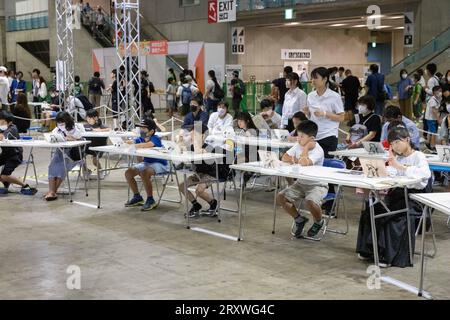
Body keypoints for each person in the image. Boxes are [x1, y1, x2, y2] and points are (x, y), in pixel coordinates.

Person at [356, 126, 431, 268]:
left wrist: (400, 167)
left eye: (397, 142)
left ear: (407, 140)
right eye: (392, 144)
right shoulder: (396, 157)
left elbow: (424, 175)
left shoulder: (418, 156)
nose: (394, 146)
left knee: (393, 216)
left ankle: (388, 255)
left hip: (413, 199)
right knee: (372, 211)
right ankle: (369, 250)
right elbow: (391, 172)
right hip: (396, 195)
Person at [277, 120, 328, 238]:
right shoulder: (298, 145)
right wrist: (295, 159)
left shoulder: (318, 150)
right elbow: (284, 157)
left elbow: (305, 162)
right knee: (281, 197)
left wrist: (306, 149)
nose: (298, 139)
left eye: (301, 136)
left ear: (311, 138)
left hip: (318, 184)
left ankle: (319, 221)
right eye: (298, 135)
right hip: (301, 183)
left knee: (310, 201)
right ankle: (299, 219)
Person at [178, 126, 229, 218]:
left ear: (202, 136)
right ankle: (196, 205)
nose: (192, 136)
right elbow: (181, 150)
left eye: (194, 134)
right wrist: (180, 142)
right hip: (199, 174)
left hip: (211, 174)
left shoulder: (207, 147)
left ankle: (213, 204)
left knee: (199, 190)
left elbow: (207, 152)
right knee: (182, 186)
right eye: (191, 134)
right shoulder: (191, 147)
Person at [123, 118, 168, 211]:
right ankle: (137, 197)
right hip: (147, 163)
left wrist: (133, 146)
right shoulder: (141, 138)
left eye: (144, 128)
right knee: (128, 173)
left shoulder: (155, 138)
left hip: (160, 163)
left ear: (151, 131)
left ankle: (150, 199)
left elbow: (147, 145)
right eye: (140, 127)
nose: (141, 130)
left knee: (144, 172)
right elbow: (131, 142)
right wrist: (124, 143)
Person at [305, 67, 345, 158]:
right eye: (312, 78)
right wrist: (307, 113)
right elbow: (311, 117)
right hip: (313, 136)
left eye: (316, 78)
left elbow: (342, 117)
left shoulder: (334, 96)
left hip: (329, 136)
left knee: (326, 165)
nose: (313, 80)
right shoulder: (310, 96)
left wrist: (325, 113)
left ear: (325, 79)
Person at [44, 112, 84, 201]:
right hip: (59, 153)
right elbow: (52, 136)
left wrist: (73, 139)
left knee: (62, 168)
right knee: (52, 166)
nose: (60, 124)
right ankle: (52, 192)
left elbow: (82, 141)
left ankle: (52, 192)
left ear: (67, 121)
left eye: (62, 122)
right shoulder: (57, 130)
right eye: (59, 122)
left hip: (72, 155)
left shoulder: (75, 130)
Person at [0, 111, 37, 196]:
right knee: (3, 176)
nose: (0, 124)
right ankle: (6, 183)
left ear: (9, 122)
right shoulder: (2, 128)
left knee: (4, 175)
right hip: (6, 154)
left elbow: (2, 137)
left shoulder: (12, 128)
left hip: (15, 155)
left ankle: (25, 186)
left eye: (2, 122)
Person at [83, 109, 109, 180]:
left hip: (99, 146)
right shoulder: (85, 126)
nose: (88, 119)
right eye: (87, 118)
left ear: (96, 118)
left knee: (95, 161)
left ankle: (100, 171)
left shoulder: (101, 126)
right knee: (79, 159)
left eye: (90, 118)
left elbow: (109, 129)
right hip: (87, 146)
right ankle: (86, 171)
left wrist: (98, 130)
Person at [424, 86, 442, 150]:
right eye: (439, 91)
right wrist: (438, 120)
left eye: (441, 91)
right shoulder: (432, 100)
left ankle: (428, 142)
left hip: (432, 118)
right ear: (434, 92)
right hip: (431, 119)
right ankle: (432, 146)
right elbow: (434, 111)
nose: (440, 92)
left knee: (431, 132)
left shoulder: (437, 99)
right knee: (434, 133)